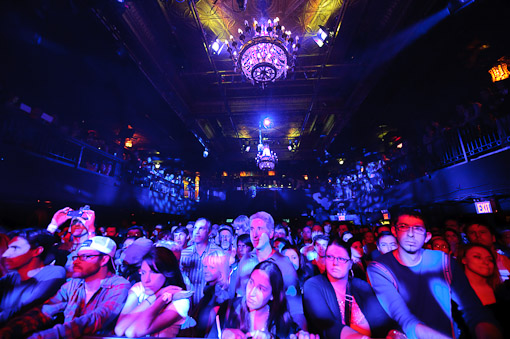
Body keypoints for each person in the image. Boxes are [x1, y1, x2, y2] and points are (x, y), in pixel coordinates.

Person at [367, 209, 501, 339]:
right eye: (404, 227)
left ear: (427, 236)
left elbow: (472, 308)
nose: (411, 234)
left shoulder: (444, 261)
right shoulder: (380, 267)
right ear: (394, 231)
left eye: (418, 229)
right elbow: (403, 317)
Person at [0, 236, 130, 339]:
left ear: (104, 260)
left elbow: (98, 318)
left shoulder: (118, 285)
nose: (77, 261)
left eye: (86, 256)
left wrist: (47, 336)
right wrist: (11, 330)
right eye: (77, 256)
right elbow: (45, 311)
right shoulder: (73, 284)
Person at [303, 237, 397, 338]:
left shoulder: (361, 286)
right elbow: (326, 324)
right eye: (330, 257)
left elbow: (380, 319)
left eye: (342, 259)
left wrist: (392, 333)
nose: (335, 263)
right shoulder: (313, 285)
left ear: (350, 264)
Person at [237, 211, 306, 329]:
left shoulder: (284, 264)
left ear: (271, 234)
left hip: (274, 329)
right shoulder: (245, 260)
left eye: (260, 229)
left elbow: (295, 307)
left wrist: (299, 332)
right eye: (252, 229)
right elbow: (237, 298)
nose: (255, 234)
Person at [215, 261, 315, 339]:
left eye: (261, 289)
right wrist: (222, 335)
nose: (251, 293)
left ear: (272, 295)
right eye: (251, 282)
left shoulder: (283, 325)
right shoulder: (229, 308)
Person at [115, 246, 191, 337]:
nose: (146, 280)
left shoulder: (180, 300)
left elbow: (133, 331)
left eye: (154, 273)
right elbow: (119, 329)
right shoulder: (139, 288)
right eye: (143, 273)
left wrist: (161, 299)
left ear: (167, 273)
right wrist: (156, 295)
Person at [0, 229, 66, 325]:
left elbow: (25, 307)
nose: (6, 254)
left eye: (15, 248)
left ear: (37, 251)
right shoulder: (11, 277)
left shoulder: (54, 273)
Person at [458, 244, 510, 337]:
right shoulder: (453, 294)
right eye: (477, 257)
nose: (486, 262)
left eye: (490, 259)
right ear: (464, 260)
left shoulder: (503, 291)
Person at [180, 218, 223, 308]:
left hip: (209, 306)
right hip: (189, 305)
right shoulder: (184, 253)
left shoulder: (217, 252)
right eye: (195, 228)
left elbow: (222, 282)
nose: (197, 232)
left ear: (209, 232)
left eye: (201, 228)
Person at [192, 250, 231, 337]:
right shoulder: (209, 291)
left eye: (212, 267)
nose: (206, 270)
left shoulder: (220, 295)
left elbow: (207, 324)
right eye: (205, 266)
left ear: (221, 271)